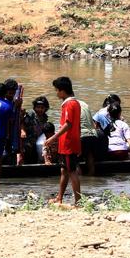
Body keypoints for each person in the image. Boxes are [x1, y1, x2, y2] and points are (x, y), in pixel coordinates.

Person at [44, 76, 82, 205]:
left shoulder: (69, 104)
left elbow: (68, 124)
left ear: (62, 91)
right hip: (70, 142)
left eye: (57, 90)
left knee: (71, 171)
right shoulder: (76, 103)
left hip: (68, 143)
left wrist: (53, 138)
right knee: (64, 171)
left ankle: (78, 202)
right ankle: (60, 198)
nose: (56, 93)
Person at [20, 96, 51, 164]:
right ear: (34, 108)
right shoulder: (31, 115)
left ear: (45, 109)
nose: (40, 109)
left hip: (38, 142)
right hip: (29, 141)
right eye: (38, 107)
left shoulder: (45, 117)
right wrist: (23, 131)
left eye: (42, 108)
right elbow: (22, 122)